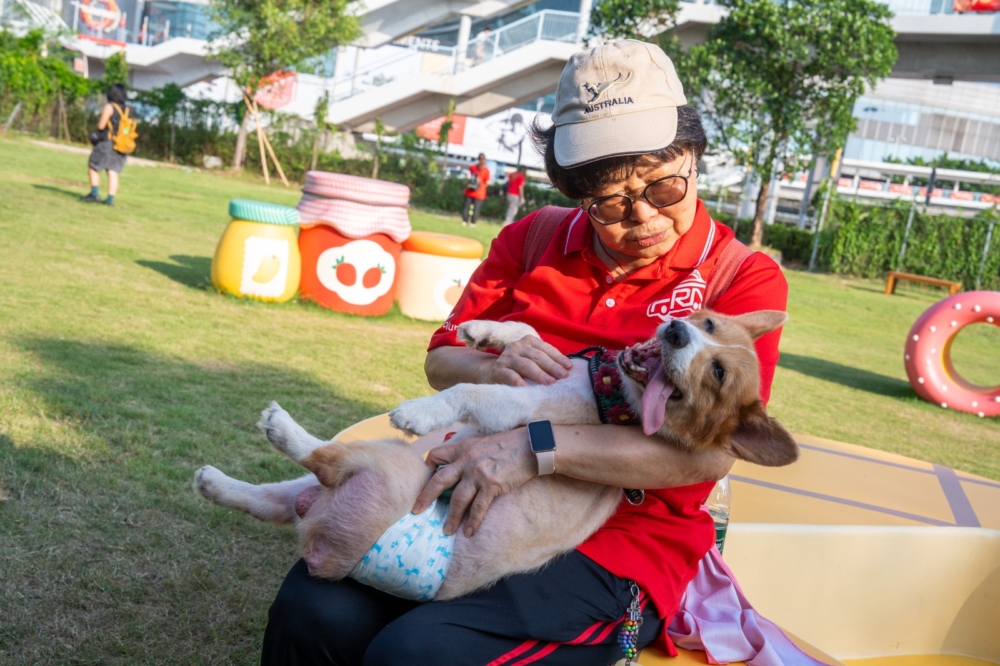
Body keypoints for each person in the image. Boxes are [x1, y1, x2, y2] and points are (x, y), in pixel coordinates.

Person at [260, 39, 787, 666]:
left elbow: (711, 455)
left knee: (417, 653)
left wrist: (532, 449)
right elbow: (440, 360)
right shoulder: (533, 237)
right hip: (460, 486)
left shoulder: (739, 278)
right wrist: (492, 365)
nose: (643, 216)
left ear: (693, 157)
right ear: (576, 190)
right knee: (312, 613)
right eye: (610, 201)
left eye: (666, 186)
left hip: (615, 543)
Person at [80, 83, 131, 207]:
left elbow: (101, 126)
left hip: (107, 143)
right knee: (113, 171)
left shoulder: (110, 107)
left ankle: (94, 194)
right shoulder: (127, 110)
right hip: (122, 144)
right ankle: (110, 200)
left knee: (93, 166)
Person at [461, 153, 489, 227]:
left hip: (470, 190)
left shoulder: (472, 167)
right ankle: (472, 223)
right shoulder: (486, 170)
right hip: (479, 193)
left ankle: (465, 221)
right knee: (476, 209)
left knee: (466, 207)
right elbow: (487, 182)